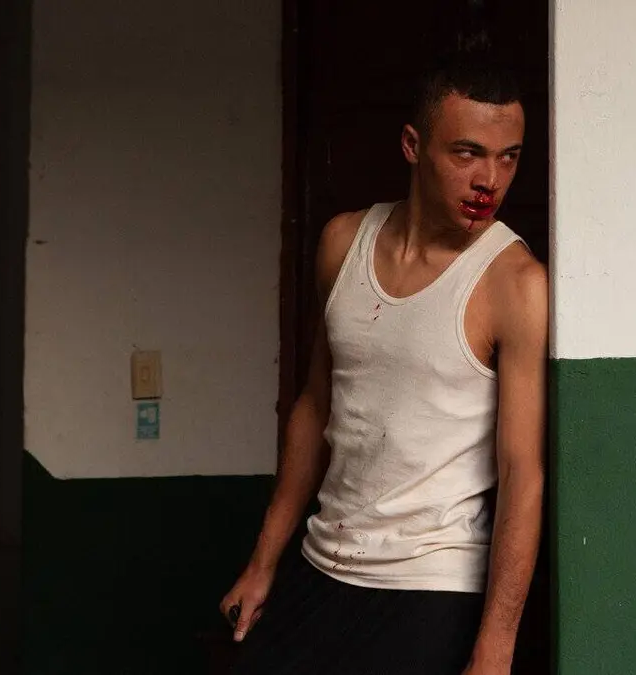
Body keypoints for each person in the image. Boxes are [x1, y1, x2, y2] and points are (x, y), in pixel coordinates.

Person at [220, 48, 548, 675]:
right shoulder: (343, 242)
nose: (491, 179)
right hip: (323, 561)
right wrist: (263, 563)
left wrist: (496, 647)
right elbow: (316, 406)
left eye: (508, 157)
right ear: (412, 145)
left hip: (432, 581)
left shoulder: (515, 284)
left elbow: (521, 472)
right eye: (468, 153)